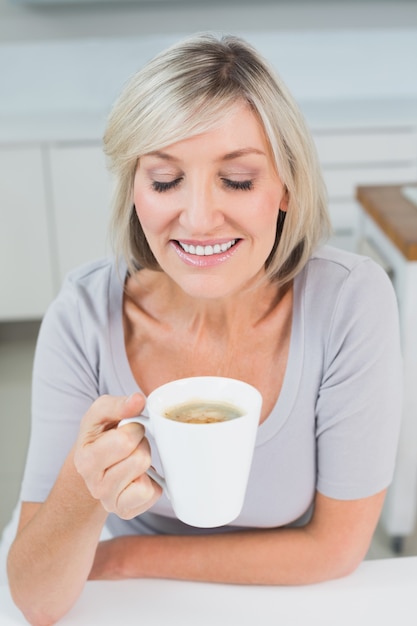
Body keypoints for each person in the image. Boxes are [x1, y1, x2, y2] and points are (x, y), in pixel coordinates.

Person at [7, 33, 402, 625]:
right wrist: (84, 492)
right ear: (135, 192)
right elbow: (37, 599)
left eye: (237, 181)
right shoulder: (83, 316)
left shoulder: (350, 302)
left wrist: (121, 558)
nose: (197, 219)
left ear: (286, 187)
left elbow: (337, 547)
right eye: (165, 181)